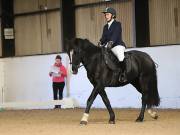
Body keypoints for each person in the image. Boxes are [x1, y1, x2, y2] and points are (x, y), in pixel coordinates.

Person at [98, 7, 127, 82]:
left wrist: (111, 42)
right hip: (108, 46)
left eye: (107, 14)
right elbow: (103, 37)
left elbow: (116, 34)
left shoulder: (117, 24)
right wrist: (100, 42)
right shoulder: (105, 27)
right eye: (105, 15)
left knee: (120, 56)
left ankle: (123, 74)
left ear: (113, 15)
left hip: (117, 45)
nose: (106, 16)